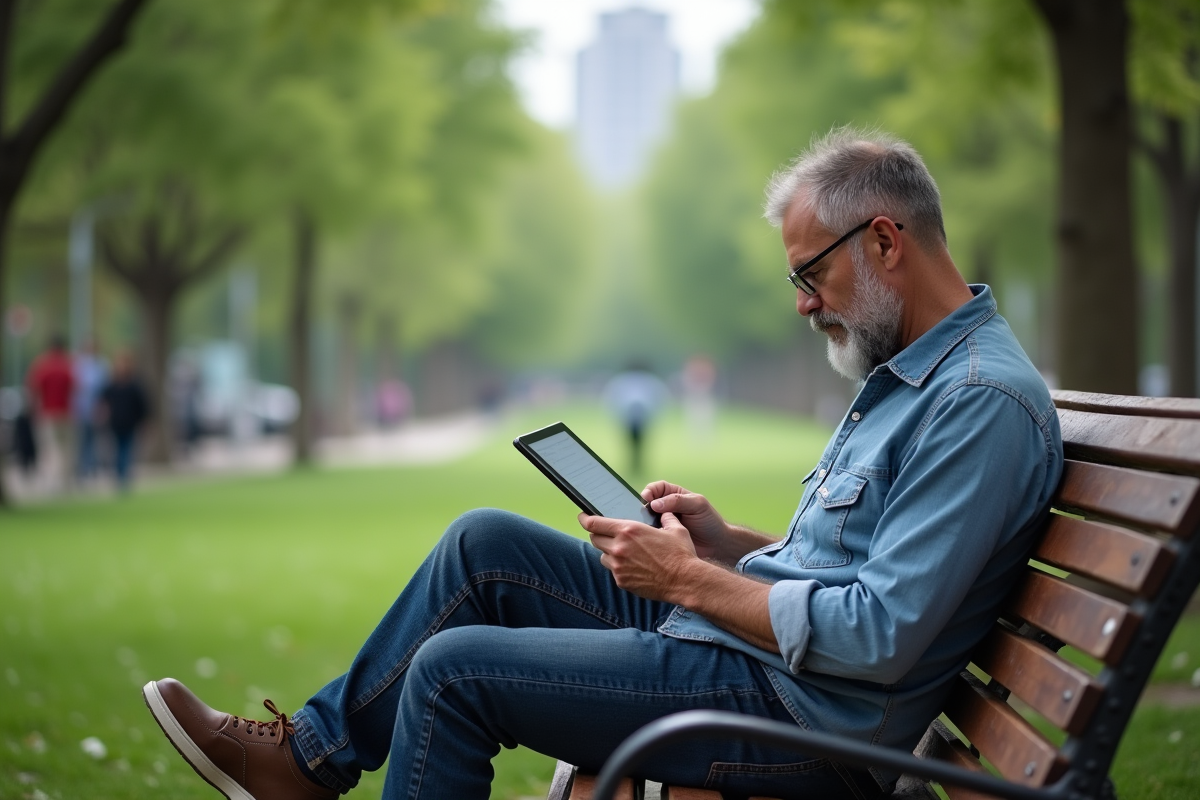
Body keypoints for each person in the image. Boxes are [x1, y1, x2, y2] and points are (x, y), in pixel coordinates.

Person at [143, 129, 1063, 800]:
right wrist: (724, 545)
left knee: (454, 671)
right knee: (484, 547)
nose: (801, 304)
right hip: (759, 659)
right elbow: (860, 569)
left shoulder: (976, 401)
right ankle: (307, 760)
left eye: (807, 274)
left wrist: (692, 585)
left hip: (801, 718)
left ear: (885, 243)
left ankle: (304, 767)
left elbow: (880, 635)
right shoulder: (917, 375)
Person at [26, 333, 75, 491]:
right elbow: (74, 387)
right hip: (65, 412)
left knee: (49, 447)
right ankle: (64, 480)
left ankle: (51, 480)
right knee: (65, 447)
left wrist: (33, 408)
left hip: (46, 412)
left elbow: (33, 388)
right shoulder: (67, 365)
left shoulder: (42, 365)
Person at [602, 363, 669, 475]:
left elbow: (612, 399)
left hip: (630, 416)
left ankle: (634, 465)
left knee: (631, 443)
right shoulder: (650, 380)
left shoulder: (621, 380)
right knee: (639, 444)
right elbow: (660, 398)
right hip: (641, 416)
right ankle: (637, 465)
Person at [100, 351, 150, 492]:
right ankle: (120, 475)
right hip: (115, 422)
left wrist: (144, 421)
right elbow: (103, 401)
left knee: (126, 450)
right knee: (117, 450)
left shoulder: (134, 385)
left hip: (130, 423)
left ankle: (123, 477)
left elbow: (143, 405)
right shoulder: (112, 384)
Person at [73, 341, 108, 481]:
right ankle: (84, 468)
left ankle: (92, 467)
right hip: (81, 410)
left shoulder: (101, 365)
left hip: (95, 409)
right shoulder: (78, 365)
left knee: (94, 441)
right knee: (82, 440)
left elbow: (104, 389)